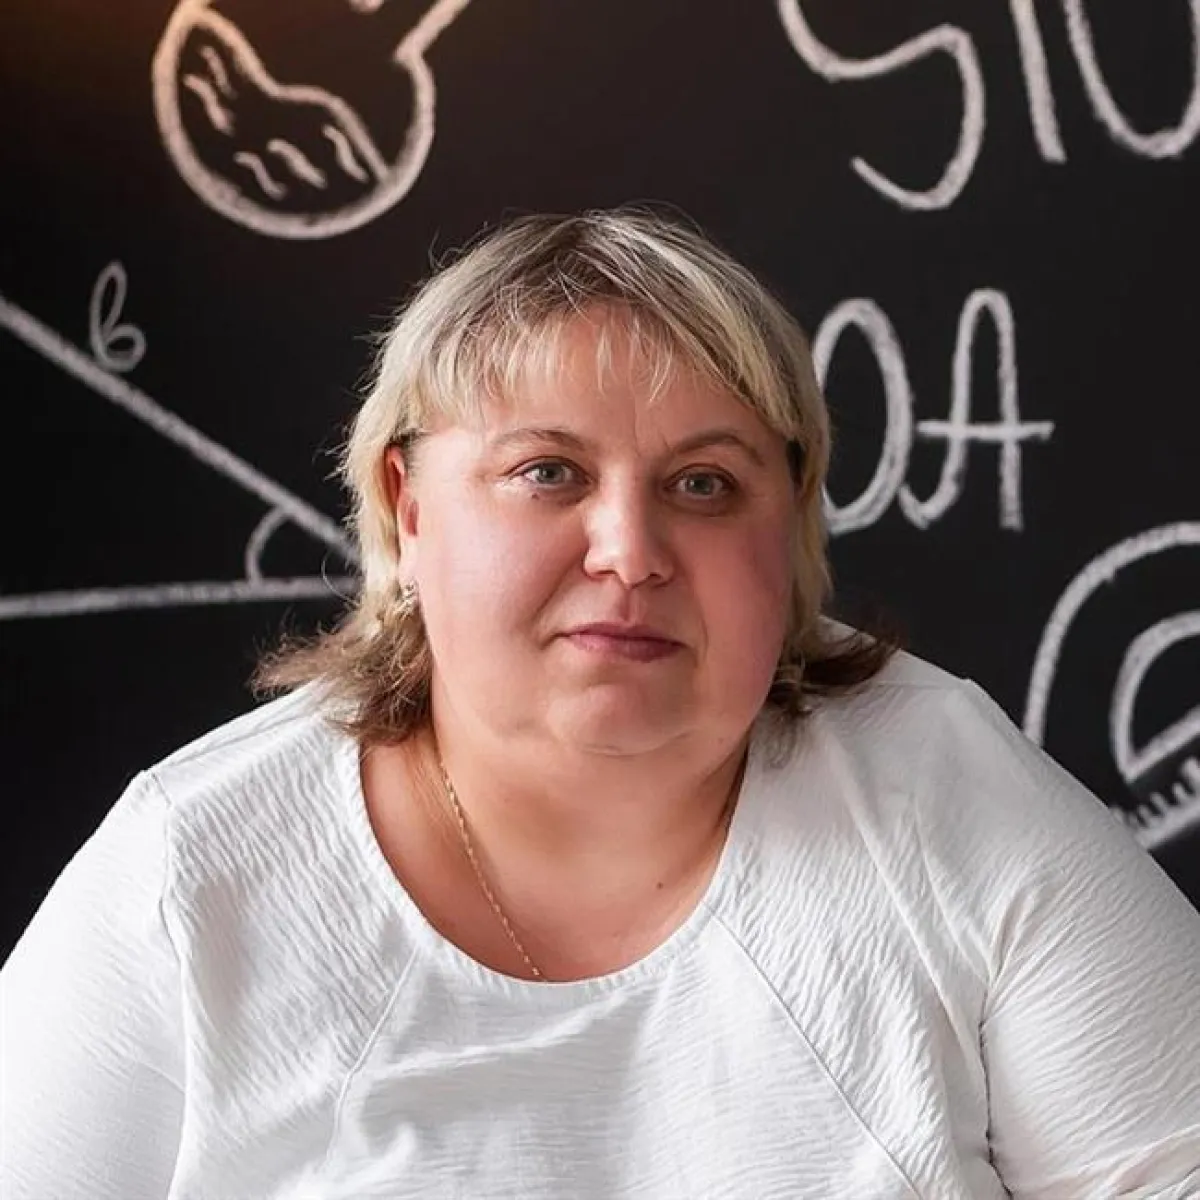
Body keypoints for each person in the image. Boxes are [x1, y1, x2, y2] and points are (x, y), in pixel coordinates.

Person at [2, 209, 1198, 1199]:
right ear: (409, 513)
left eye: (704, 483)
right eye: (548, 473)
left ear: (787, 527)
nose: (630, 549)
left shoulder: (949, 794)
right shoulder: (187, 878)